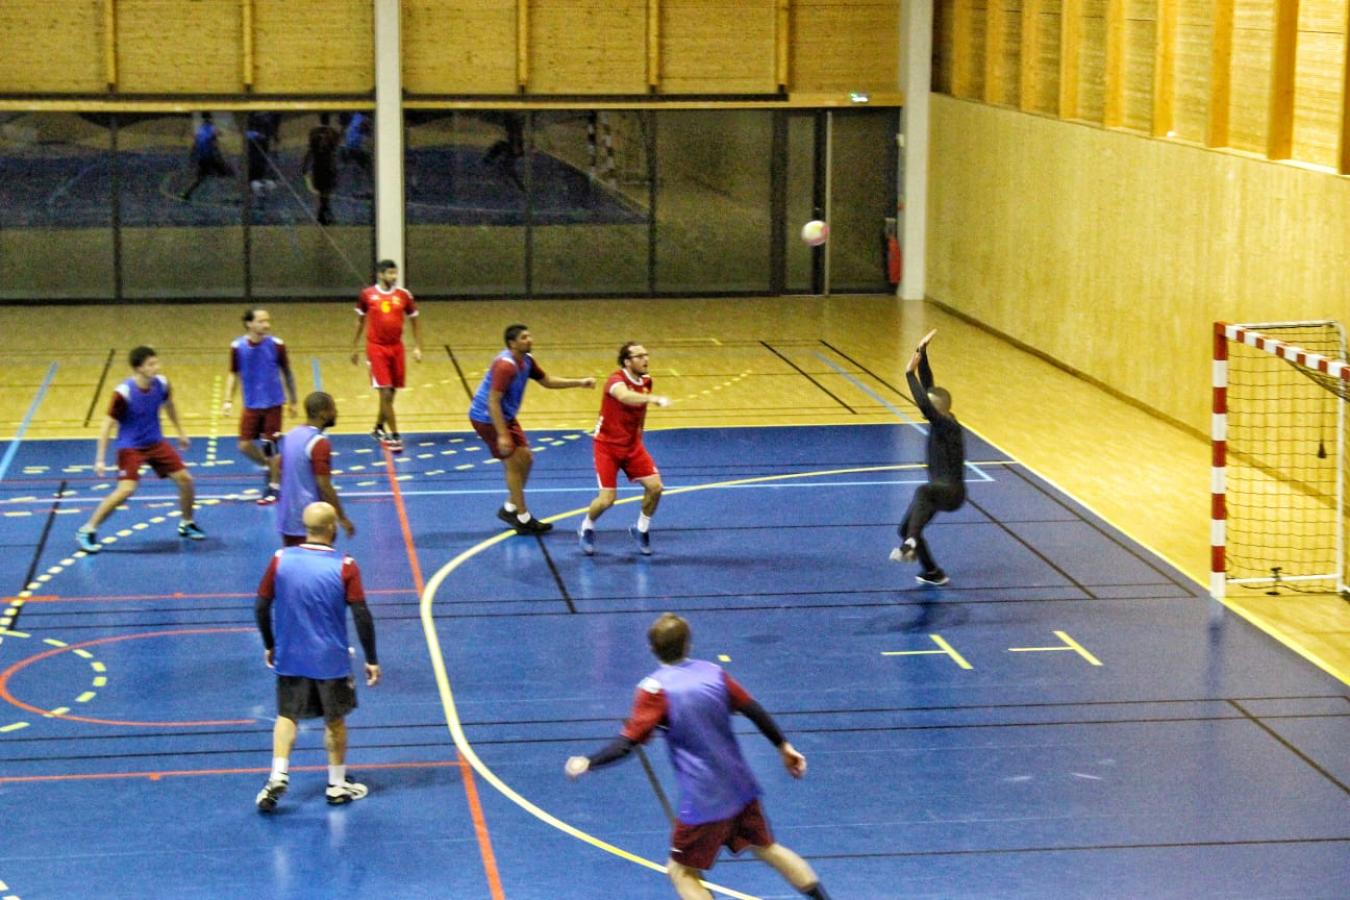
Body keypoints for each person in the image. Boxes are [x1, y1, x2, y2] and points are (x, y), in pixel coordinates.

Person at [565, 613, 830, 900]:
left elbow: (627, 744)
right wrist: (783, 745)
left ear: (652, 649)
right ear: (687, 644)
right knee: (768, 849)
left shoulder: (654, 689)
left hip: (705, 798)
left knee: (680, 871)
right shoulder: (714, 673)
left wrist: (590, 762)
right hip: (740, 787)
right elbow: (752, 709)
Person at [253, 501, 379, 812]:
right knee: (334, 721)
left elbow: (261, 606)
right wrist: (371, 658)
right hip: (330, 659)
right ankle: (336, 785)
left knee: (286, 716)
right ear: (332, 528)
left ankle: (278, 774)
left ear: (305, 528)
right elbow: (361, 615)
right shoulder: (345, 565)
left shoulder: (281, 559)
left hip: (291, 655)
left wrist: (271, 644)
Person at [468, 324, 595, 534]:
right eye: (524, 337)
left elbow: (547, 381)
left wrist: (580, 382)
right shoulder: (505, 366)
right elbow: (493, 401)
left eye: (529, 336)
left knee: (526, 458)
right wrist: (502, 435)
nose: (530, 340)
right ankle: (523, 517)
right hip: (488, 418)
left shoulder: (527, 361)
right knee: (513, 463)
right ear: (512, 343)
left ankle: (510, 508)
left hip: (506, 416)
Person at [77, 346, 205, 553]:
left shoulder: (162, 384)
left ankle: (187, 523)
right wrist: (99, 459)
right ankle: (88, 529)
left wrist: (181, 432)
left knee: (186, 480)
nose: (156, 367)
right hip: (131, 446)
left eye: (156, 363)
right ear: (139, 368)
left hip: (156, 443)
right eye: (151, 364)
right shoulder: (123, 393)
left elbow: (170, 406)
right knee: (126, 490)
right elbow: (107, 425)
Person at [578, 341, 670, 556]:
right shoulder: (615, 381)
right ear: (627, 362)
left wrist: (640, 431)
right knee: (607, 499)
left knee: (656, 487)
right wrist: (652, 398)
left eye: (646, 354)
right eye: (639, 356)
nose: (645, 359)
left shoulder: (647, 381)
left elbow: (641, 409)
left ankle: (641, 528)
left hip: (632, 445)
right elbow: (625, 396)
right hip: (607, 447)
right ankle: (587, 526)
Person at [890, 329, 966, 586]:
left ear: (939, 409)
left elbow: (924, 402)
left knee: (922, 492)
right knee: (904, 528)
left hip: (951, 492)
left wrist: (908, 374)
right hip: (938, 490)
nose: (926, 409)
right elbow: (929, 387)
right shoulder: (942, 418)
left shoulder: (949, 426)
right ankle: (933, 572)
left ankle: (910, 543)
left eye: (931, 407)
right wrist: (922, 352)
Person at [224, 308, 297, 505]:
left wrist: (293, 401)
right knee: (244, 445)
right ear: (249, 324)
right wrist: (228, 400)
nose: (267, 325)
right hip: (252, 404)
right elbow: (233, 373)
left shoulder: (277, 345)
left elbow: (287, 373)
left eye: (267, 321)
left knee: (270, 446)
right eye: (261, 321)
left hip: (273, 403)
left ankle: (274, 487)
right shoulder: (238, 347)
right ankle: (270, 467)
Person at [351, 259, 421, 453]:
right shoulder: (367, 295)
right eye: (390, 273)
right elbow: (359, 321)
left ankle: (378, 428)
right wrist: (354, 347)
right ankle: (395, 436)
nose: (394, 276)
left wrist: (417, 347)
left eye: (395, 273)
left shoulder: (404, 295)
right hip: (376, 348)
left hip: (396, 348)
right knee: (386, 392)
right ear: (380, 275)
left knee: (391, 394)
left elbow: (415, 320)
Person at [276, 392, 354, 547]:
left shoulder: (291, 435)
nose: (336, 413)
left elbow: (279, 469)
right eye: (333, 409)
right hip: (312, 521)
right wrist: (342, 517)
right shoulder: (319, 443)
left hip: (287, 517)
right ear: (322, 414)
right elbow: (324, 485)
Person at [181, 112, 234, 201]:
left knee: (200, 178)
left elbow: (195, 145)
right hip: (210, 158)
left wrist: (192, 158)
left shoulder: (200, 130)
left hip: (202, 158)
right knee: (229, 172)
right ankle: (231, 193)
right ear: (211, 119)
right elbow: (216, 140)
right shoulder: (211, 129)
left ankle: (187, 193)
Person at [302, 113, 340, 225]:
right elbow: (334, 152)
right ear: (329, 120)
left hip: (317, 165)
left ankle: (323, 213)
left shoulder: (313, 132)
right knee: (326, 190)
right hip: (328, 164)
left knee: (321, 190)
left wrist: (305, 164)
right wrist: (336, 167)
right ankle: (323, 213)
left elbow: (310, 151)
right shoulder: (333, 133)